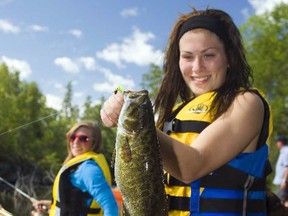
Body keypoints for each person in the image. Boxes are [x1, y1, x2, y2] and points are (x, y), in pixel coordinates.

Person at [100, 8, 274, 216]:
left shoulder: (247, 103)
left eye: (209, 55)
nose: (198, 67)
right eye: (188, 57)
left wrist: (136, 124)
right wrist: (115, 113)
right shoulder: (172, 114)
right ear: (178, 61)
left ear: (229, 57)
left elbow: (191, 166)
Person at [33, 120, 118, 216]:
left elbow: (111, 206)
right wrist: (53, 205)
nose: (76, 142)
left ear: (94, 142)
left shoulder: (88, 169)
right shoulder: (77, 166)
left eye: (83, 138)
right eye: (72, 137)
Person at [273, 135, 288, 207]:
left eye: (277, 142)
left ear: (281, 142)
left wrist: (284, 181)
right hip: (281, 181)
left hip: (283, 181)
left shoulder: (286, 152)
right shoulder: (283, 151)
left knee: (281, 201)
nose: (276, 143)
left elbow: (287, 166)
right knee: (284, 200)